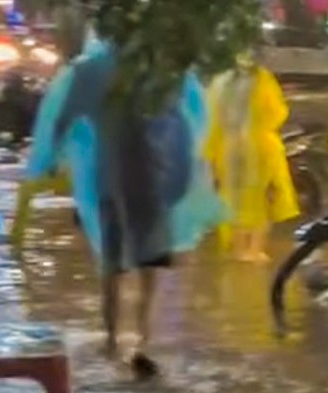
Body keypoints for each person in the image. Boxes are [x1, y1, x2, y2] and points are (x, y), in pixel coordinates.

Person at [26, 35, 221, 375]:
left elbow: (64, 119)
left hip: (114, 179)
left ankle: (114, 340)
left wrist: (51, 157)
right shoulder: (159, 71)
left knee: (114, 264)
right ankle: (141, 338)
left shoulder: (95, 72)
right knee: (145, 262)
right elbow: (188, 126)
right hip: (150, 178)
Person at [205, 54, 299, 260]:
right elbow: (277, 112)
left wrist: (210, 154)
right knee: (262, 200)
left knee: (233, 200)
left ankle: (238, 250)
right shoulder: (262, 79)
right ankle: (254, 249)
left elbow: (210, 120)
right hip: (260, 149)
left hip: (227, 150)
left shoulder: (218, 83)